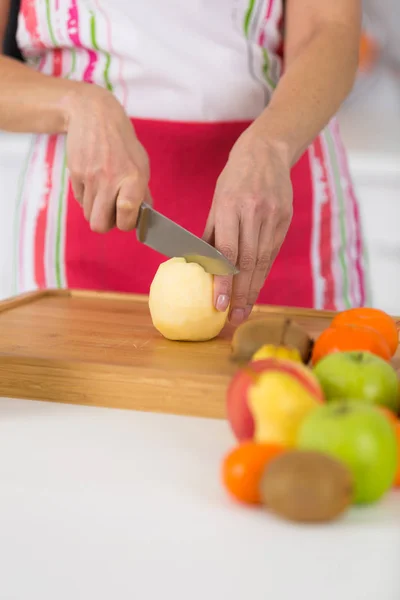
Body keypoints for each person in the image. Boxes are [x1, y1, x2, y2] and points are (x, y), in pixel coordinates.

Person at [0, 0, 369, 326]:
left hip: (274, 191)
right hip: (83, 220)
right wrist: (76, 104)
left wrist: (271, 145)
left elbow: (331, 28)